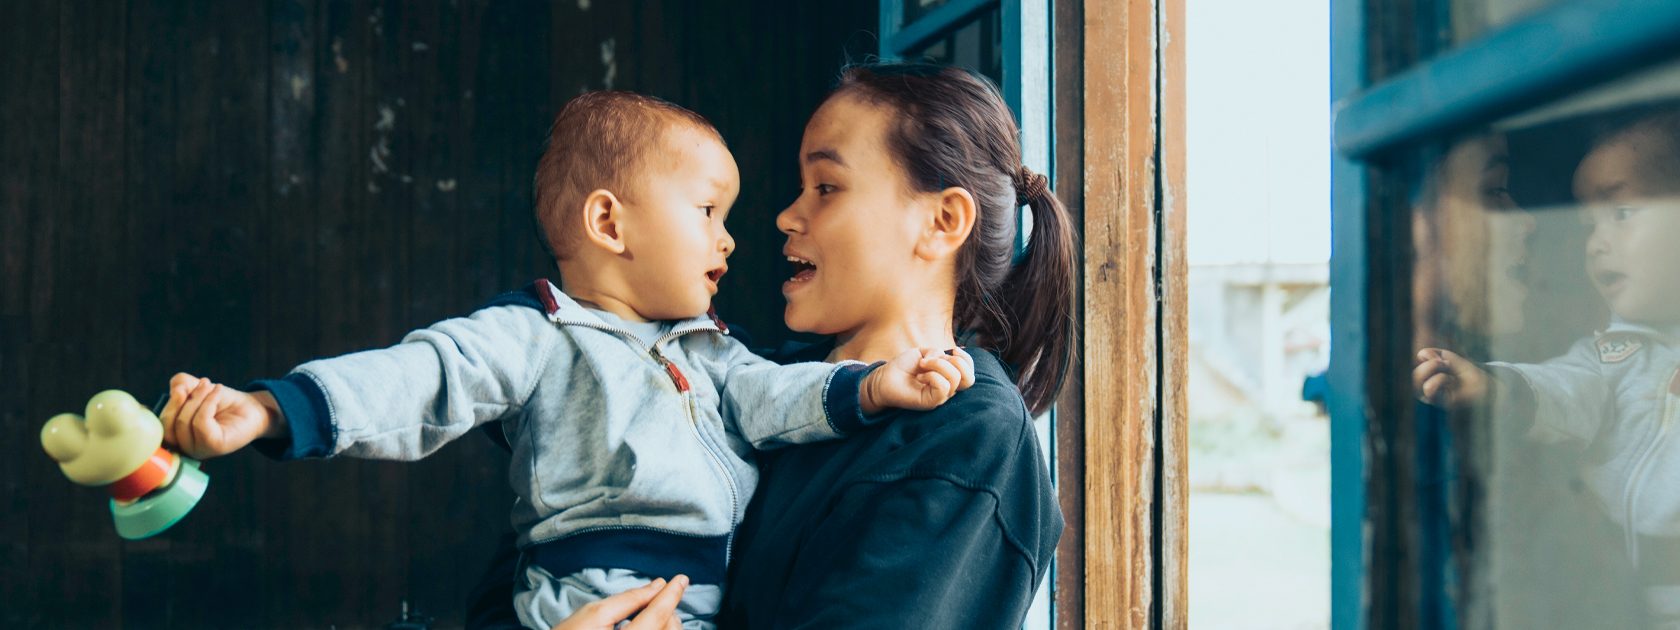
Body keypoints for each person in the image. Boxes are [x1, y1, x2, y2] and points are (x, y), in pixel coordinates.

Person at [155, 90, 978, 630]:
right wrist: (272, 410)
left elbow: (777, 398)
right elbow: (421, 379)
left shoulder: (718, 353)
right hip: (584, 594)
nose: (732, 236)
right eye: (706, 210)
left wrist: (873, 386)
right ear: (610, 224)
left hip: (703, 602)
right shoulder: (536, 335)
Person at [1415, 110, 1680, 626]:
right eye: (1587, 225)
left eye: (1622, 212)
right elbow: (1562, 388)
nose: (1595, 242)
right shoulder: (1610, 357)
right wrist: (1495, 384)